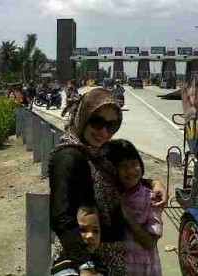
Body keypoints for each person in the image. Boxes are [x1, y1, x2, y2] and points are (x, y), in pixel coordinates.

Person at [48, 88, 168, 276]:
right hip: (85, 257)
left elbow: (125, 175)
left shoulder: (102, 154)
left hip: (111, 257)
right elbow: (61, 217)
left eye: (111, 125)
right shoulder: (69, 157)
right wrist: (86, 266)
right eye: (97, 122)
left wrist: (153, 183)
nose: (104, 132)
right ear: (84, 117)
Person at [107, 139, 163, 276]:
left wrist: (127, 216)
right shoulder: (107, 195)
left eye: (134, 164)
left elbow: (150, 243)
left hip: (143, 270)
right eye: (123, 166)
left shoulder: (151, 198)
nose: (131, 171)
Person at [51, 204, 106, 276]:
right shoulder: (65, 264)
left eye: (95, 231)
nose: (90, 236)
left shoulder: (100, 265)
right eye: (83, 230)